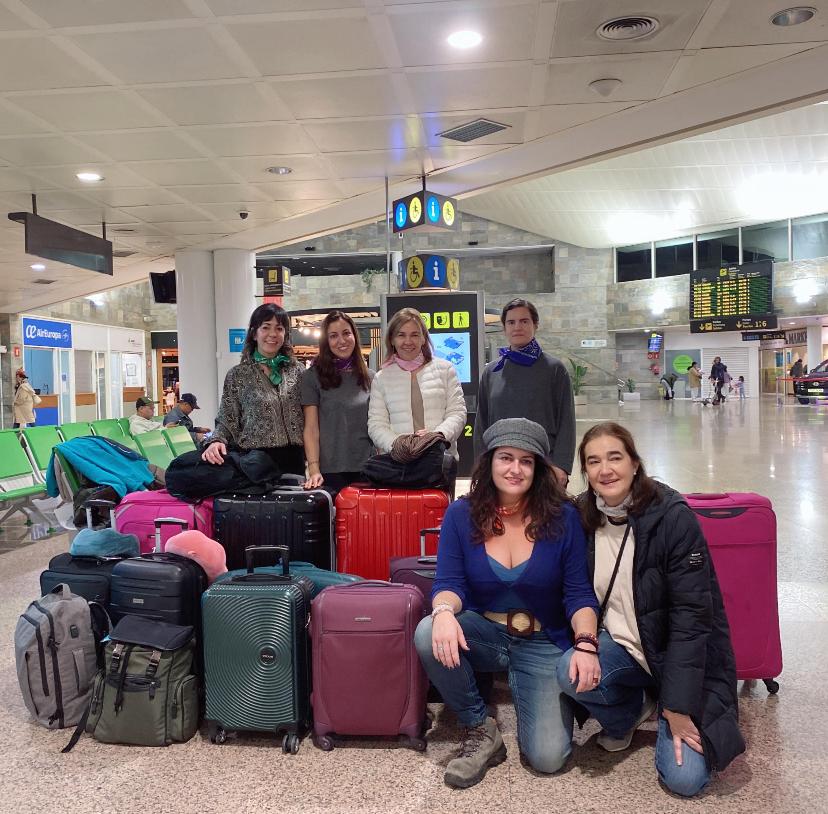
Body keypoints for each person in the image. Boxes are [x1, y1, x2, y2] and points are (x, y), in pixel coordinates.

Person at [556, 422, 745, 797]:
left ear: (635, 463)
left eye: (615, 457)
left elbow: (692, 621)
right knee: (567, 670)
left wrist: (677, 706)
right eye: (593, 461)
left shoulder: (672, 517)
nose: (605, 470)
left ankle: (664, 703)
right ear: (585, 472)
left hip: (679, 659)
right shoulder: (583, 518)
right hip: (625, 649)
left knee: (685, 780)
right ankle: (633, 710)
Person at [414, 418, 599, 789]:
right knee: (427, 632)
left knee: (548, 758)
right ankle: (479, 727)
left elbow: (579, 593)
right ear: (489, 462)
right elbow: (449, 583)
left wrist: (586, 643)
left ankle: (531, 691)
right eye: (506, 458)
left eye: (526, 461)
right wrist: (444, 611)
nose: (515, 469)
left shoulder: (563, 518)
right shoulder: (461, 514)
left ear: (538, 468)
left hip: (543, 640)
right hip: (486, 632)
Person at [474, 299, 575, 488]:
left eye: (524, 321)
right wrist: (481, 465)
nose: (517, 327)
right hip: (501, 468)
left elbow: (566, 421)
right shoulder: (492, 372)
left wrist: (561, 466)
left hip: (544, 465)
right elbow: (482, 424)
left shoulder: (554, 369)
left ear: (535, 325)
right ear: (504, 328)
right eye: (511, 322)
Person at [202, 303, 304, 476]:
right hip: (256, 461)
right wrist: (216, 441)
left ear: (285, 335)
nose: (273, 334)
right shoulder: (238, 375)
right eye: (266, 327)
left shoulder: (298, 371)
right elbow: (227, 418)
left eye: (279, 328)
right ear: (254, 333)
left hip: (295, 459)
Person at [368, 307, 466, 460]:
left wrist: (436, 437)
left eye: (414, 335)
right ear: (392, 340)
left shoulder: (445, 370)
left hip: (439, 460)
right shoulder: (381, 378)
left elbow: (457, 413)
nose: (408, 341)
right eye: (401, 335)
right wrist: (400, 446)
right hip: (399, 463)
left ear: (423, 338)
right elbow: (376, 424)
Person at [301, 310, 375, 494]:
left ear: (354, 336)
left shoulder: (371, 378)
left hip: (367, 469)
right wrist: (314, 469)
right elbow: (311, 428)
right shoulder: (312, 377)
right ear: (326, 341)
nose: (341, 341)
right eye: (333, 336)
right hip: (328, 472)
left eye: (346, 333)